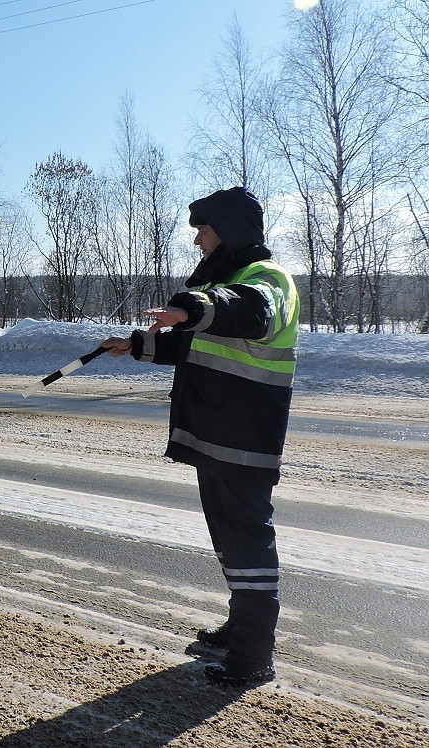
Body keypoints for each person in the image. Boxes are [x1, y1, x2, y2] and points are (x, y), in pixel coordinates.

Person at [101, 186, 300, 688]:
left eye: (203, 232)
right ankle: (241, 628)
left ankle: (254, 656)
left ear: (229, 233)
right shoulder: (231, 281)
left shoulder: (265, 280)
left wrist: (195, 305)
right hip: (219, 436)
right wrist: (137, 345)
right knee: (230, 542)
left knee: (248, 542)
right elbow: (195, 342)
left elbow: (246, 311)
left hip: (244, 439)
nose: (197, 243)